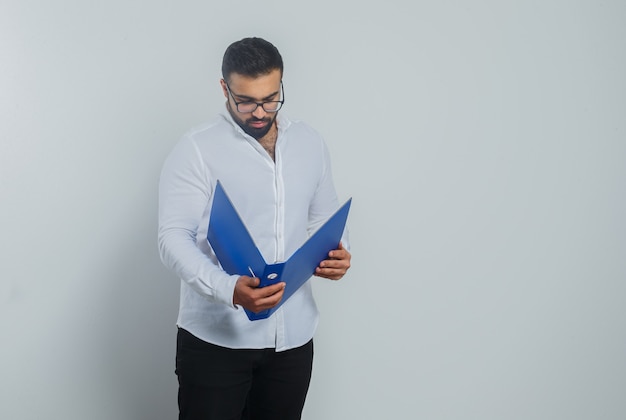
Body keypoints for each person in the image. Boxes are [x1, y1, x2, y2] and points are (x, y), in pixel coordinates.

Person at [158, 37, 351, 420]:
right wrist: (228, 288)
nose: (260, 112)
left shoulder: (309, 143)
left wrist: (338, 253)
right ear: (224, 88)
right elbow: (171, 239)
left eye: (271, 98)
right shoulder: (196, 149)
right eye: (245, 100)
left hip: (292, 341)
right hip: (216, 342)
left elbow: (324, 217)